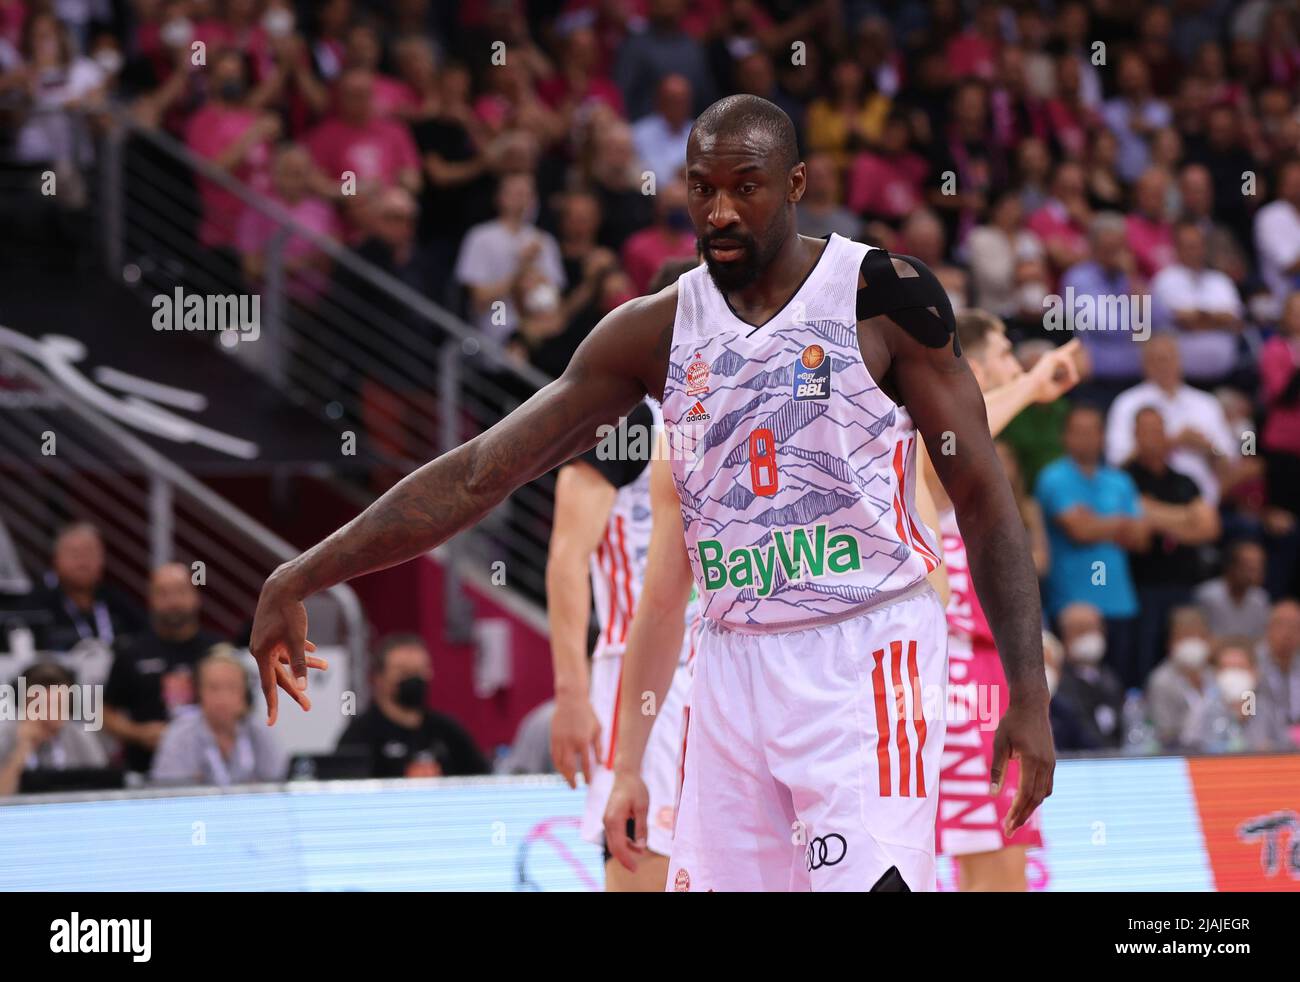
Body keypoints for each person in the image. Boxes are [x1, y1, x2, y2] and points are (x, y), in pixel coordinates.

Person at [252, 94, 1055, 894]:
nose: (722, 210)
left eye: (747, 186)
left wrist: (1029, 690)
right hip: (732, 662)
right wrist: (304, 572)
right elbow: (479, 472)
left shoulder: (882, 294)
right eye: (703, 188)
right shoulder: (654, 331)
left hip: (866, 648)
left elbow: (983, 499)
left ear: (797, 183)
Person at [921, 310, 1081, 892]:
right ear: (980, 364)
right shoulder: (931, 427)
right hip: (957, 670)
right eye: (1009, 354)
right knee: (993, 858)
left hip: (978, 668)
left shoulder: (976, 441)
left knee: (997, 851)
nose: (1017, 365)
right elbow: (960, 437)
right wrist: (1032, 385)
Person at [547, 398, 697, 892]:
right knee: (646, 862)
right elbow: (567, 558)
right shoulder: (631, 419)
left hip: (716, 668)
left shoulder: (720, 401)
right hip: (644, 678)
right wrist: (571, 693)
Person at [1035, 404, 1147, 688]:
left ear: (1102, 436)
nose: (1086, 438)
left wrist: (1096, 523)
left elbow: (1140, 538)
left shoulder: (1120, 480)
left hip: (1119, 602)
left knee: (1120, 687)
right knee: (1072, 689)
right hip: (1074, 605)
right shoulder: (1053, 477)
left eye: (1092, 431)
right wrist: (1120, 523)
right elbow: (1078, 530)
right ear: (1065, 437)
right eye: (1078, 431)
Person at [1123, 407, 1221, 679]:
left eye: (1158, 430)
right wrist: (1185, 517)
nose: (1153, 437)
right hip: (1142, 586)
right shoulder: (1124, 477)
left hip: (1183, 585)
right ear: (1135, 435)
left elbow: (1210, 527)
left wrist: (1155, 513)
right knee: (1144, 660)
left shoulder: (1184, 480)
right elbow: (1136, 529)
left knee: (1188, 656)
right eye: (1146, 430)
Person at [103, 564, 222, 776]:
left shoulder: (218, 651)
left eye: (180, 591)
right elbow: (103, 712)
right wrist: (138, 733)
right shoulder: (130, 652)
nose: (173, 601)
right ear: (151, 599)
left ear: (196, 596)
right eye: (163, 593)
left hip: (212, 773)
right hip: (143, 773)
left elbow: (242, 708)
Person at [1105, 335, 1237, 506]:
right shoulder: (1127, 403)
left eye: (1169, 358)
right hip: (1146, 499)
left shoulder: (1206, 404)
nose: (1164, 365)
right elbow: (1117, 462)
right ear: (1145, 364)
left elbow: (1229, 459)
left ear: (1180, 360)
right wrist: (1171, 442)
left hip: (1201, 503)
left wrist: (1208, 447)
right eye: (1158, 359)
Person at [335, 634, 490, 778]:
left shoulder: (448, 732)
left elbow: (484, 780)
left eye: (418, 671)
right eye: (403, 672)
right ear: (379, 678)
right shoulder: (359, 737)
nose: (413, 679)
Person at [151, 649, 288, 787]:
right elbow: (169, 793)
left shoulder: (259, 732)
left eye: (232, 688)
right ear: (199, 693)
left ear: (244, 695)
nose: (222, 698)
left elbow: (278, 784)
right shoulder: (179, 735)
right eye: (213, 688)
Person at [28, 523, 142, 658]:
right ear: (55, 560)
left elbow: (145, 638)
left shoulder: (117, 601)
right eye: (75, 553)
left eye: (90, 552)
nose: (83, 561)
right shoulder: (36, 604)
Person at [0, 661, 107, 796]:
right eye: (39, 707)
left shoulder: (80, 736)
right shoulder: (5, 736)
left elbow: (104, 793)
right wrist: (22, 748)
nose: (48, 717)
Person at [1180, 636, 1292, 753]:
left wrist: (1270, 750)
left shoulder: (1268, 709)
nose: (1233, 674)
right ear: (1217, 673)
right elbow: (1188, 749)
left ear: (1255, 672)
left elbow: (1287, 748)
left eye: (1240, 667)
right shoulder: (1203, 709)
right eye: (1227, 668)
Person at [1054, 602, 1126, 750]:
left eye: (1093, 629)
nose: (1088, 636)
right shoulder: (1060, 682)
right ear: (1065, 636)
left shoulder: (1109, 677)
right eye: (1080, 630)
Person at [1145, 607, 1216, 750]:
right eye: (1185, 636)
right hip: (1177, 756)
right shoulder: (1161, 681)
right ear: (1170, 643)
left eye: (1197, 636)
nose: (1192, 642)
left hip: (1218, 753)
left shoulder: (1214, 676)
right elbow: (1163, 733)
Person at [1194, 540, 1271, 641]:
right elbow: (1198, 637)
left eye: (1258, 566)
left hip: (1250, 654)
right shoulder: (1206, 596)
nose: (1254, 572)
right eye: (1248, 567)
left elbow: (1262, 639)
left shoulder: (1261, 599)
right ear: (1231, 566)